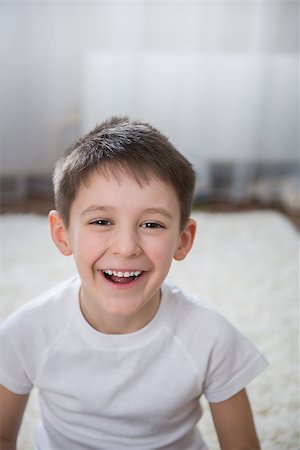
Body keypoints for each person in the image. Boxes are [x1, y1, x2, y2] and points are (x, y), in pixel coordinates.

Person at [0, 116, 268, 450]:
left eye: (152, 224)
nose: (126, 247)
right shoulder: (27, 330)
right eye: (101, 221)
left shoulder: (209, 337)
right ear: (63, 234)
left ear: (183, 240)